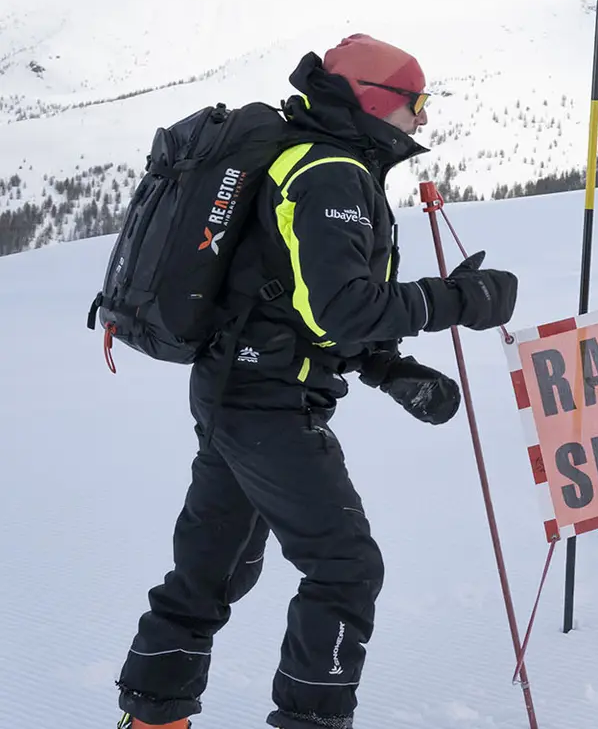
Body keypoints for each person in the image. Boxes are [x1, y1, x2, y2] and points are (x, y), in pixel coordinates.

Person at [115, 35, 520, 729]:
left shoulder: (315, 159)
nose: (421, 120)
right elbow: (339, 310)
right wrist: (459, 301)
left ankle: (153, 718)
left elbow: (280, 297)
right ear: (372, 100)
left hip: (237, 392)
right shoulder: (329, 173)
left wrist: (390, 368)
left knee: (210, 573)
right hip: (266, 404)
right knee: (344, 570)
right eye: (414, 103)